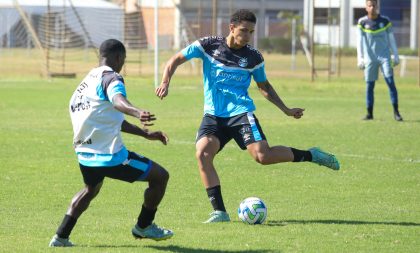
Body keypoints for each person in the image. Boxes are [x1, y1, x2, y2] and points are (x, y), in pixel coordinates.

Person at [155, 9, 340, 223]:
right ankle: (220, 212)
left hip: (240, 114)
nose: (247, 36)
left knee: (263, 157)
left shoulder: (253, 57)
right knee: (202, 154)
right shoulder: (208, 45)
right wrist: (165, 82)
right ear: (232, 28)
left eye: (251, 32)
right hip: (213, 116)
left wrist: (286, 110)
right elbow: (175, 60)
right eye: (243, 30)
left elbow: (264, 87)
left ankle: (311, 155)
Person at [49, 39, 173, 247]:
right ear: (118, 58)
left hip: (84, 153)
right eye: (123, 60)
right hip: (109, 156)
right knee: (160, 177)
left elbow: (108, 118)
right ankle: (144, 226)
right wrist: (137, 111)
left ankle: (60, 236)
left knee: (90, 189)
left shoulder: (86, 82)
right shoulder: (112, 77)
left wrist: (145, 134)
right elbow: (117, 101)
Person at [357, 0, 403, 121]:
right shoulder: (362, 22)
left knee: (390, 83)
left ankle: (396, 113)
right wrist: (360, 58)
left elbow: (391, 39)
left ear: (377, 7)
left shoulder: (385, 21)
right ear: (366, 7)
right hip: (370, 59)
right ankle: (369, 114)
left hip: (384, 58)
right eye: (369, 5)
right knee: (369, 86)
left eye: (374, 5)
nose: (372, 7)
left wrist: (396, 55)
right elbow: (359, 41)